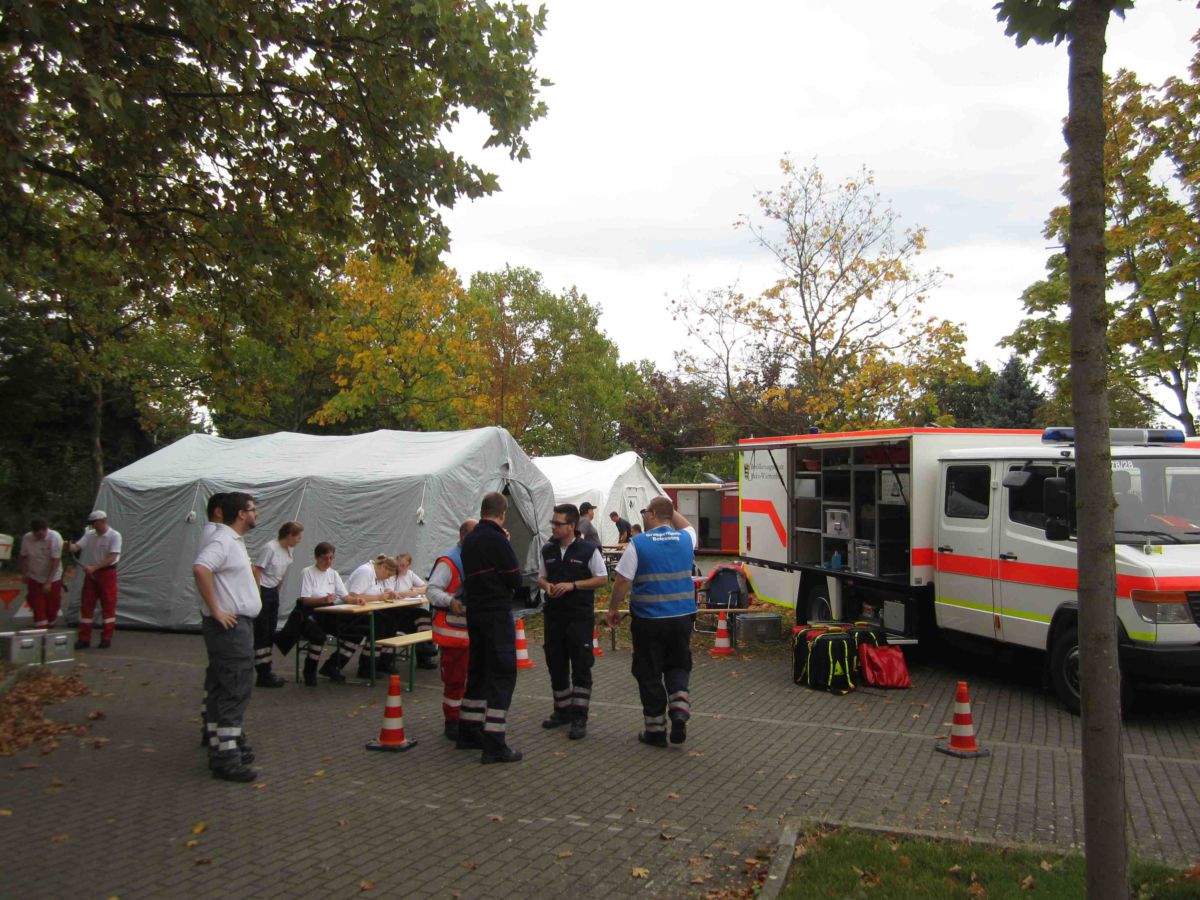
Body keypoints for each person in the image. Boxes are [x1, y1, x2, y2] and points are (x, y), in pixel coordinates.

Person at [606, 496, 697, 748]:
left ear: (653, 514)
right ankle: (679, 710)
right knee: (678, 665)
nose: (643, 516)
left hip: (649, 620)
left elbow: (622, 580)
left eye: (646, 512)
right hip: (681, 618)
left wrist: (613, 609)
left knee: (649, 672)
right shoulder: (687, 538)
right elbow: (686, 524)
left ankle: (656, 732)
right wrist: (670, 508)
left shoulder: (638, 544)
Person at [193, 492, 261, 782]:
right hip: (231, 627)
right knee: (235, 686)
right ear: (241, 514)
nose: (256, 514)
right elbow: (201, 568)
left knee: (223, 683)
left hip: (235, 625)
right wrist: (217, 609)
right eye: (253, 510)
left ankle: (221, 741)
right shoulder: (223, 540)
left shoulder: (231, 540)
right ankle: (227, 757)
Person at [458, 492, 523, 764]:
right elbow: (514, 578)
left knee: (479, 669)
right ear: (502, 513)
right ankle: (494, 743)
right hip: (496, 612)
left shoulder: (469, 539)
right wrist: (506, 544)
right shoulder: (498, 539)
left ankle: (469, 731)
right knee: (501, 674)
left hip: (475, 613)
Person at [537, 504, 608, 740]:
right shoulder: (548, 549)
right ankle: (562, 711)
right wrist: (546, 586)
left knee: (580, 666)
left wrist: (574, 585)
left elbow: (601, 579)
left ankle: (579, 717)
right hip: (554, 617)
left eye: (558, 524)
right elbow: (541, 576)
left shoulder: (588, 550)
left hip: (579, 618)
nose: (554, 527)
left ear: (572, 526)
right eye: (553, 523)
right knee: (555, 664)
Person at [427, 519, 476, 741]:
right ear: (465, 536)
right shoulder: (449, 562)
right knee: (455, 679)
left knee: (471, 678)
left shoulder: (474, 557)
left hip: (471, 631)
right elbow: (432, 590)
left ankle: (467, 718)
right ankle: (452, 721)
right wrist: (451, 601)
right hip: (454, 633)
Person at [251, 520, 304, 688]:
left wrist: (278, 588)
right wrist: (258, 593)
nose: (299, 540)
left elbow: (283, 571)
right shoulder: (270, 548)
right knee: (262, 631)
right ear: (289, 535)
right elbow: (257, 570)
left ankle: (267, 669)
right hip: (264, 591)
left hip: (273, 592)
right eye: (298, 536)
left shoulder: (288, 550)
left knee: (270, 630)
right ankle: (262, 672)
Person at [68, 510, 123, 650]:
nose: (92, 526)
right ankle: (84, 638)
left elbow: (112, 556)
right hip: (92, 575)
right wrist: (70, 546)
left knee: (108, 606)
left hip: (107, 574)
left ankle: (106, 638)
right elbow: (77, 547)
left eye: (94, 523)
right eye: (91, 524)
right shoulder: (90, 535)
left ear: (103, 521)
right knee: (86, 605)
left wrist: (94, 567)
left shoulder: (114, 536)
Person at [343, 554, 401, 679]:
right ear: (384, 567)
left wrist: (388, 592)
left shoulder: (378, 575)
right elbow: (353, 596)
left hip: (368, 610)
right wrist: (379, 597)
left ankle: (383, 662)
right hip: (350, 612)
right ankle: (367, 666)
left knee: (392, 622)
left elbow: (375, 591)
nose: (387, 578)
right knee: (379, 625)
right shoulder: (366, 572)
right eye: (388, 575)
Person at [386, 552, 437, 671]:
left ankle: (424, 653)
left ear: (409, 565)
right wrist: (410, 593)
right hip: (395, 610)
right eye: (399, 565)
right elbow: (392, 594)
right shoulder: (392, 575)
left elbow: (427, 587)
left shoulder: (410, 574)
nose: (400, 568)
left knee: (424, 616)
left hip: (408, 607)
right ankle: (425, 650)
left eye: (403, 566)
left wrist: (417, 590)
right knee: (422, 615)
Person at [19, 517, 64, 630]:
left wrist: (49, 581)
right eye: (37, 534)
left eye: (42, 533)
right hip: (34, 576)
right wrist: (25, 573)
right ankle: (40, 631)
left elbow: (55, 560)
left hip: (53, 577)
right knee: (38, 606)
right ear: (33, 532)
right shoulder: (27, 538)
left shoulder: (55, 537)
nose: (40, 536)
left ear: (46, 530)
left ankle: (51, 624)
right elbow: (23, 556)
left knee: (52, 606)